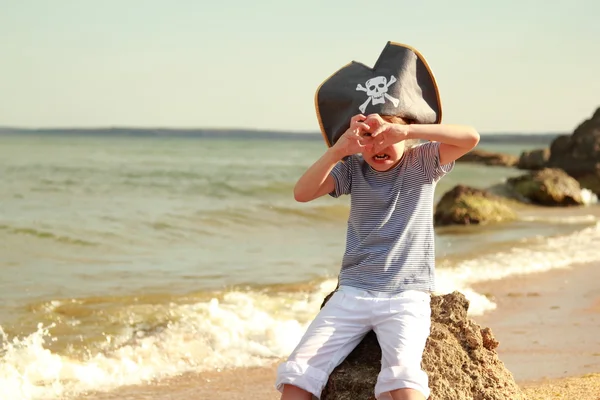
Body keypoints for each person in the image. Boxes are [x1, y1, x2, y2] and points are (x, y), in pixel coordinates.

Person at [274, 42, 480, 400]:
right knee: (299, 373)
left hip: (406, 294)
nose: (377, 144)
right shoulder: (352, 170)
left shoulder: (424, 163)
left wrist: (411, 131)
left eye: (387, 133)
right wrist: (339, 149)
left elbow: (471, 138)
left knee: (403, 378)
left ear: (404, 134)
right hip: (353, 292)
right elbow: (302, 193)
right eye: (368, 137)